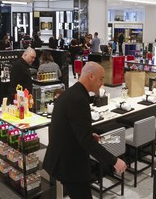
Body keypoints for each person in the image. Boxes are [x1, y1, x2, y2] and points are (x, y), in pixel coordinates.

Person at [43, 62, 127, 199]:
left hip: (63, 160)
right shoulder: (78, 99)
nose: (102, 83)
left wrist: (87, 133)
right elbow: (86, 140)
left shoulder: (72, 93)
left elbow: (70, 128)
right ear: (91, 76)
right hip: (69, 164)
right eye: (101, 79)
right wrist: (114, 161)